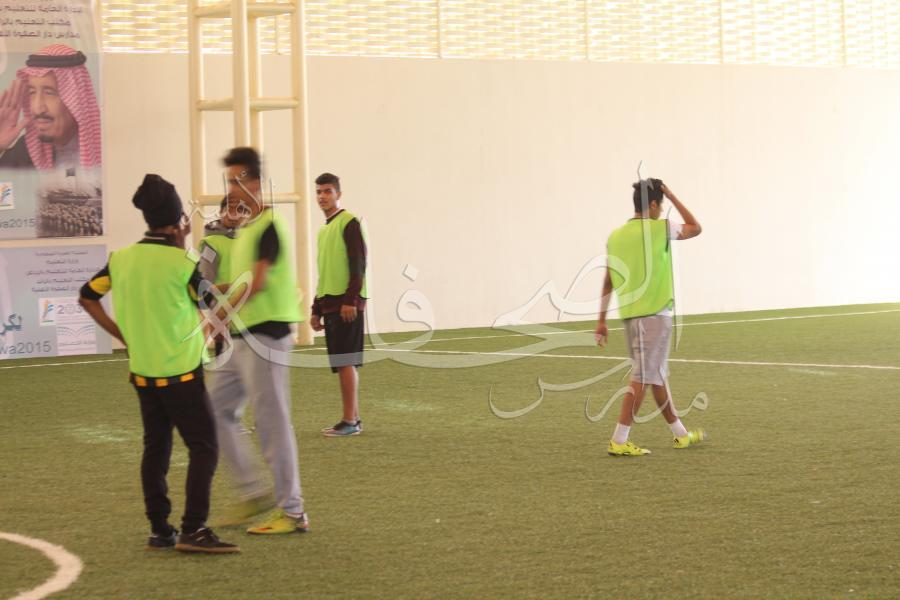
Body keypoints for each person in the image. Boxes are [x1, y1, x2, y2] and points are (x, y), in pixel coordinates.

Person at [78, 174, 238, 553]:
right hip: (182, 372)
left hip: (143, 372)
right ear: (179, 219)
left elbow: (87, 297)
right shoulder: (183, 261)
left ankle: (160, 530)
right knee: (204, 446)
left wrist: (122, 335)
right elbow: (209, 300)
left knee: (156, 448)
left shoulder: (121, 260)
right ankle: (194, 528)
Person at [207, 147, 309, 534]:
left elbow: (258, 282)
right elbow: (241, 281)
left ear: (256, 182)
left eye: (238, 180)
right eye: (228, 181)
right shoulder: (246, 229)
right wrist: (206, 290)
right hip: (241, 338)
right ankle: (253, 493)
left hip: (267, 335)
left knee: (271, 424)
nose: (232, 188)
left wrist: (218, 316)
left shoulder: (269, 225)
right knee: (214, 409)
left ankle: (293, 511)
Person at [595, 178, 706, 456]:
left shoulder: (616, 237)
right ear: (654, 204)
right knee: (644, 376)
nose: (662, 209)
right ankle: (619, 440)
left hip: (631, 317)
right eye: (662, 204)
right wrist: (673, 194)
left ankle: (680, 434)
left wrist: (601, 320)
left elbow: (608, 280)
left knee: (656, 376)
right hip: (655, 315)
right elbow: (695, 227)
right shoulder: (661, 228)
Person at [310, 172, 368, 437]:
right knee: (343, 363)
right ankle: (353, 419)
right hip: (331, 304)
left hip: (346, 305)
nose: (322, 196)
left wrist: (350, 300)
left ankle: (349, 421)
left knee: (346, 362)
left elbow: (358, 264)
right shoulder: (324, 230)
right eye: (319, 192)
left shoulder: (349, 222)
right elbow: (324, 272)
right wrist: (316, 309)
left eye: (327, 191)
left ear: (338, 194)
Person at [0, 44, 101, 171]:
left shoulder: (110, 150)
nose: (37, 108)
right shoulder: (24, 150)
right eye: (32, 92)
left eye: (49, 93)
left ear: (76, 98)